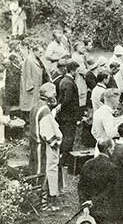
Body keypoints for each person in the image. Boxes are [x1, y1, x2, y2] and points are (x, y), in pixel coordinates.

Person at [78, 139, 123, 224]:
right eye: (113, 147)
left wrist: (85, 204)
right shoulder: (112, 167)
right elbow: (113, 190)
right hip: (107, 208)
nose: (113, 150)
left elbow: (81, 186)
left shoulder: (87, 164)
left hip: (90, 207)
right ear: (108, 149)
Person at [31, 83, 63, 211]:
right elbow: (48, 131)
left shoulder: (36, 106)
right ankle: (43, 203)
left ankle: (37, 199)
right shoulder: (44, 110)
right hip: (42, 146)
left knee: (36, 169)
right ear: (48, 96)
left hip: (35, 142)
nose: (55, 96)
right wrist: (56, 144)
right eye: (54, 94)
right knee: (44, 171)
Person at [57, 59, 83, 166]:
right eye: (76, 70)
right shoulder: (68, 82)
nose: (77, 73)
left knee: (66, 136)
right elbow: (67, 99)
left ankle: (63, 157)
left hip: (65, 115)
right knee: (69, 137)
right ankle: (65, 159)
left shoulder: (64, 80)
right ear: (72, 71)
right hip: (69, 116)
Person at [21, 40, 50, 113]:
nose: (41, 54)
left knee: (36, 103)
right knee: (31, 104)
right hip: (33, 86)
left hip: (38, 83)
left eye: (42, 52)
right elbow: (27, 73)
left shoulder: (37, 59)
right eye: (40, 52)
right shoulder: (29, 59)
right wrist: (29, 86)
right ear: (34, 51)